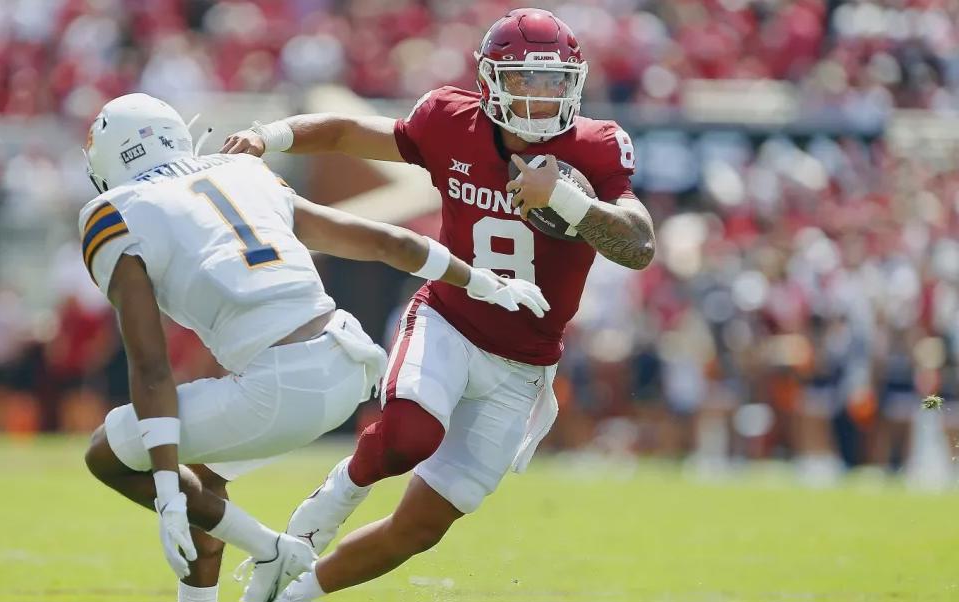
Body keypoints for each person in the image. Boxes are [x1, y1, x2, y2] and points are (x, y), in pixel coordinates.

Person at [222, 7, 656, 601]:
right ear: (489, 82)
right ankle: (332, 498)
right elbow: (352, 133)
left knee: (420, 528)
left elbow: (638, 245)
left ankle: (289, 595)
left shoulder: (596, 146)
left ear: (574, 82)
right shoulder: (450, 121)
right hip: (449, 321)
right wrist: (272, 136)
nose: (538, 97)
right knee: (407, 435)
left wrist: (570, 203)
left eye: (552, 80)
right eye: (523, 80)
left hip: (524, 365)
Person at [79, 93, 550, 602]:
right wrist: (483, 281)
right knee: (203, 479)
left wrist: (166, 492)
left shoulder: (114, 213)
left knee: (109, 454)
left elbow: (151, 369)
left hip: (277, 388)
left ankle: (270, 548)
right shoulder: (241, 173)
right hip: (345, 362)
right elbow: (387, 243)